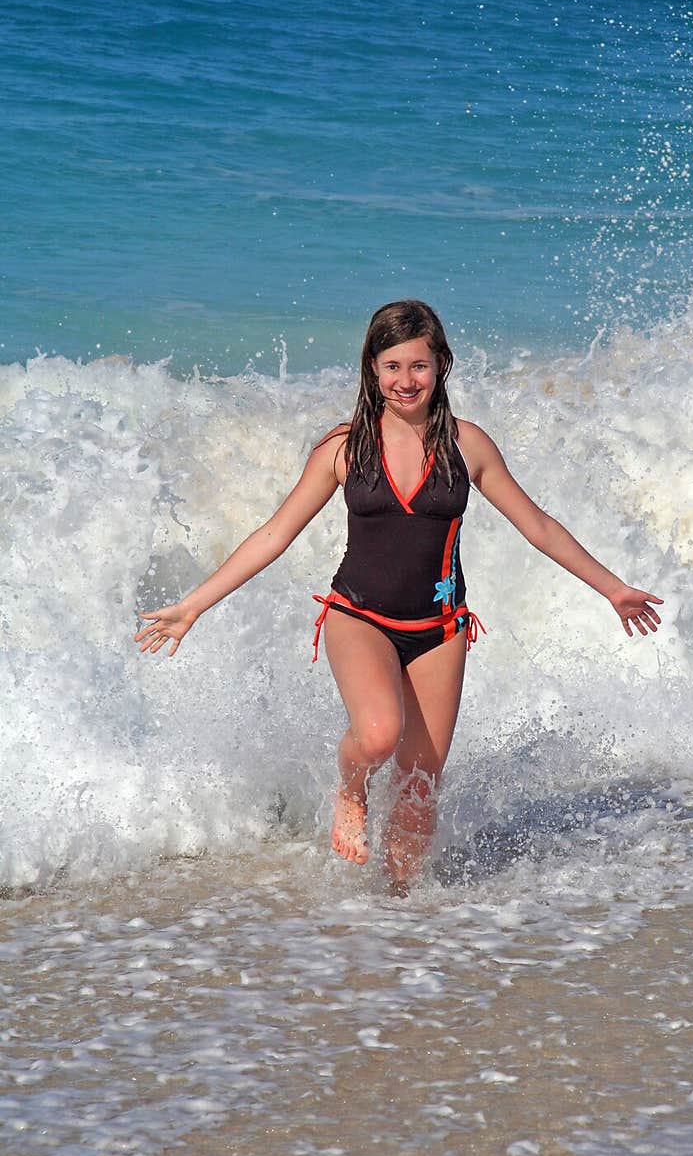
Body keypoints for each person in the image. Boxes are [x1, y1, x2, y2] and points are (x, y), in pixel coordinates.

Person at [135, 300, 663, 895]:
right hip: (359, 616)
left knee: (419, 782)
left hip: (441, 628)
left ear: (441, 365)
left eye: (418, 365)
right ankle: (351, 786)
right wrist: (194, 605)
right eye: (391, 366)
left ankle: (399, 917)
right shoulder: (343, 448)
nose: (405, 381)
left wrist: (612, 588)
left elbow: (537, 526)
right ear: (371, 368)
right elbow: (274, 534)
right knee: (380, 734)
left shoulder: (469, 446)